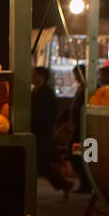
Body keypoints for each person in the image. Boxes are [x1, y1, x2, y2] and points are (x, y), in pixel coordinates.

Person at [71, 64, 109, 192]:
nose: (101, 77)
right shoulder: (89, 88)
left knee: (88, 156)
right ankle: (86, 182)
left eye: (104, 75)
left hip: (92, 130)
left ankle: (88, 183)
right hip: (81, 128)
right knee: (77, 154)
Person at [31, 65, 71, 198]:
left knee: (40, 164)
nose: (32, 77)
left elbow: (45, 114)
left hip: (42, 133)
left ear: (41, 77)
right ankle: (62, 184)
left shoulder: (45, 93)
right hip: (41, 132)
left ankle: (63, 184)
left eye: (35, 75)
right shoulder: (39, 91)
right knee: (41, 165)